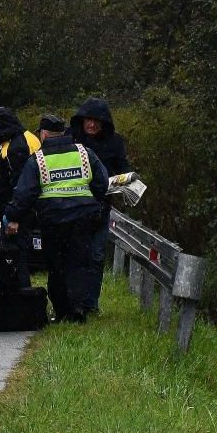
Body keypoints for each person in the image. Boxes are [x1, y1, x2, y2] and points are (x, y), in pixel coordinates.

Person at [3, 115, 108, 323]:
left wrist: (12, 215)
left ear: (43, 134)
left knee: (56, 265)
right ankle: (78, 310)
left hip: (53, 220)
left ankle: (62, 312)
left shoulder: (38, 159)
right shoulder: (85, 153)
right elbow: (102, 183)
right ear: (64, 132)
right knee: (79, 264)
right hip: (83, 217)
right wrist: (91, 201)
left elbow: (24, 194)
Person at [70, 98, 128, 314]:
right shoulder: (71, 139)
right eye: (88, 120)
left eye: (97, 121)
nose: (92, 125)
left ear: (104, 123)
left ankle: (90, 304)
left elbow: (124, 169)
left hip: (101, 208)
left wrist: (125, 181)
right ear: (82, 120)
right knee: (76, 257)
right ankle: (74, 302)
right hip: (74, 208)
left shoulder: (115, 143)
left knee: (96, 256)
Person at [0, 106, 39, 290]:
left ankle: (21, 297)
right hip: (23, 211)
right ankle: (19, 295)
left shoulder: (16, 147)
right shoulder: (26, 139)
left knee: (16, 259)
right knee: (17, 258)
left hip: (18, 214)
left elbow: (19, 187)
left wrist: (14, 217)